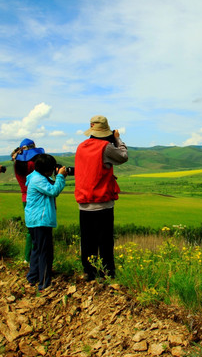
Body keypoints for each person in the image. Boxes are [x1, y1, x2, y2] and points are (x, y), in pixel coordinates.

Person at [74, 115, 128, 281]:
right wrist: (118, 140)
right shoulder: (106, 146)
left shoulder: (81, 147)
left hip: (84, 202)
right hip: (102, 202)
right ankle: (107, 275)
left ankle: (89, 272)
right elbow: (123, 156)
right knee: (104, 241)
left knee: (87, 240)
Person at [25, 154, 67, 291]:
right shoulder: (38, 179)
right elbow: (54, 191)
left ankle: (32, 277)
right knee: (45, 252)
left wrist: (57, 176)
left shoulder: (35, 177)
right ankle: (44, 283)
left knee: (37, 250)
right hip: (41, 220)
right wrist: (60, 176)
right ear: (46, 169)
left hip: (34, 220)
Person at [12, 138, 45, 262]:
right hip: (36, 197)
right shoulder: (33, 164)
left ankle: (27, 257)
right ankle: (35, 257)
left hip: (25, 197)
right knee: (39, 228)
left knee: (30, 228)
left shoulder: (17, 164)